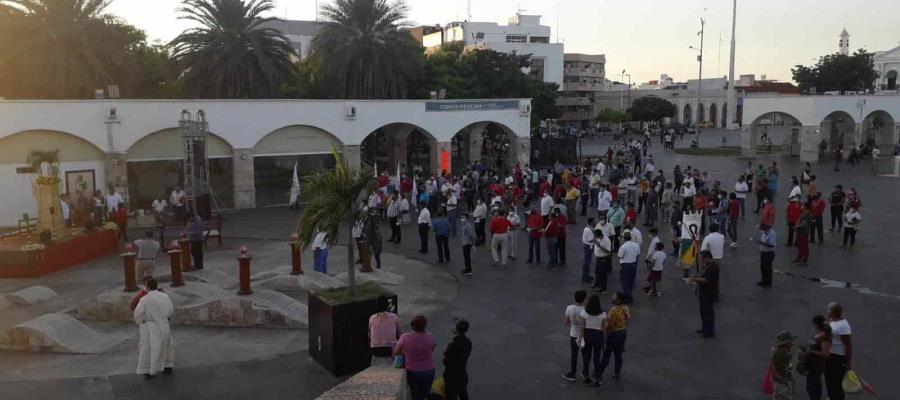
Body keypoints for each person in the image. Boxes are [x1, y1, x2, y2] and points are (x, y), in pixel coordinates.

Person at [133, 278, 174, 379]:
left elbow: (138, 314)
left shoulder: (144, 299)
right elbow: (170, 310)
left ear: (147, 287)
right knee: (166, 346)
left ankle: (148, 371)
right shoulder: (165, 296)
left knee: (148, 348)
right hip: (164, 325)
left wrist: (141, 321)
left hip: (150, 327)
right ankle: (167, 367)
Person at [395, 316, 436, 400]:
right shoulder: (430, 337)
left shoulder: (405, 337)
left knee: (414, 394)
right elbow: (432, 348)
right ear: (425, 326)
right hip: (428, 370)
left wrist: (406, 352)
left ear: (412, 326)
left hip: (412, 371)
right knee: (425, 394)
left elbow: (396, 352)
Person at [596, 292, 629, 385]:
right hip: (623, 332)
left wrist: (604, 333)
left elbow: (608, 325)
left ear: (618, 300)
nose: (612, 298)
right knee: (618, 353)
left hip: (614, 334)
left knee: (607, 354)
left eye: (613, 297)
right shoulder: (625, 307)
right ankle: (617, 372)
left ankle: (598, 373)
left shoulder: (613, 310)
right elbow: (627, 319)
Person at [825, 303, 852, 400]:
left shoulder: (843, 326)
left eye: (829, 310)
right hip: (830, 356)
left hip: (838, 358)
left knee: (836, 383)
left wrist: (848, 362)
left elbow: (848, 345)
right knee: (829, 380)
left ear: (833, 312)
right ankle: (831, 397)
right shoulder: (832, 320)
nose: (827, 311)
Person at [579, 294, 607, 386]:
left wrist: (580, 338)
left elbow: (582, 327)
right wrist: (604, 339)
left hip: (587, 334)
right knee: (596, 357)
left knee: (586, 356)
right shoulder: (602, 314)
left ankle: (586, 375)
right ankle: (596, 378)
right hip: (598, 335)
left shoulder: (584, 312)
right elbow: (603, 328)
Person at [690, 250, 719, 338]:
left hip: (708, 292)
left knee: (708, 312)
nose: (701, 259)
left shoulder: (713, 267)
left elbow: (707, 280)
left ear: (708, 258)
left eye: (703, 258)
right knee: (703, 311)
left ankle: (710, 331)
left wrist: (696, 280)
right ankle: (705, 327)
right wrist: (698, 277)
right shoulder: (706, 265)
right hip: (702, 292)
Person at [443, 319, 472, 400]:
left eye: (454, 325)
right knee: (463, 394)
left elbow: (446, 357)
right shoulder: (468, 342)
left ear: (456, 329)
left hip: (451, 375)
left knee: (451, 395)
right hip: (462, 373)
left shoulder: (453, 345)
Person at [804, 315, 832, 400]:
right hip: (813, 364)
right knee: (815, 384)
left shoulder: (824, 338)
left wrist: (812, 351)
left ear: (816, 324)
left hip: (817, 365)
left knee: (811, 387)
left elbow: (826, 354)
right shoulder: (820, 333)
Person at [562, 290, 587, 382]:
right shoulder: (586, 309)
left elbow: (566, 322)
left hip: (574, 334)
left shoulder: (569, 308)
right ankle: (585, 372)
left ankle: (572, 373)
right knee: (585, 354)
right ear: (584, 299)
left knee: (574, 354)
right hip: (584, 335)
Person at [770, 331, 796, 399]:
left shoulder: (787, 350)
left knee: (787, 397)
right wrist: (777, 376)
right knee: (780, 396)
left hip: (786, 378)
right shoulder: (779, 351)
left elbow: (789, 363)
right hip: (780, 381)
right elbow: (771, 365)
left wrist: (789, 373)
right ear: (786, 342)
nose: (792, 342)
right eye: (791, 341)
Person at [617, 231, 640, 304]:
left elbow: (620, 256)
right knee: (630, 282)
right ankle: (628, 295)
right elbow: (638, 254)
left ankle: (629, 297)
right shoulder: (636, 245)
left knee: (624, 282)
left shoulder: (623, 247)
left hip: (625, 266)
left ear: (624, 238)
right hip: (633, 264)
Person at [592, 223, 613, 292]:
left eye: (595, 236)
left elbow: (608, 251)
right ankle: (597, 285)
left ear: (599, 235)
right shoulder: (598, 239)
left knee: (603, 273)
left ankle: (603, 288)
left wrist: (600, 246)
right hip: (598, 258)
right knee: (597, 272)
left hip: (603, 259)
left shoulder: (606, 241)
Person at [581, 218, 596, 283]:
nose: (595, 223)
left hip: (589, 246)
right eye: (593, 222)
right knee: (587, 262)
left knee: (588, 261)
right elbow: (591, 239)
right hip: (588, 247)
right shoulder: (588, 230)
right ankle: (585, 277)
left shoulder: (591, 228)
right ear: (590, 222)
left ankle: (587, 275)